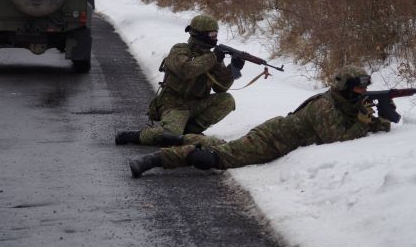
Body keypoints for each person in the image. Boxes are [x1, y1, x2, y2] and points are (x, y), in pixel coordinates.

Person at [128, 66, 393, 178]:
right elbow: (336, 138)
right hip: (271, 140)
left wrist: (380, 119)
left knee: (223, 147)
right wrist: (362, 122)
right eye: (358, 88)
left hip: (275, 134)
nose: (362, 93)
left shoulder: (344, 102)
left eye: (364, 88)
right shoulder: (325, 105)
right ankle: (157, 159)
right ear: (345, 87)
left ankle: (180, 138)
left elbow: (355, 124)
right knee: (213, 158)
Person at [115, 14, 245, 147]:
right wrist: (213, 58)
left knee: (227, 100)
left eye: (215, 34)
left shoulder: (212, 57)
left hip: (196, 104)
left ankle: (190, 131)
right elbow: (186, 70)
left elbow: (220, 88)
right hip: (174, 105)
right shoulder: (180, 50)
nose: (214, 38)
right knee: (170, 136)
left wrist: (232, 69)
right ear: (199, 34)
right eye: (211, 35)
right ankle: (138, 135)